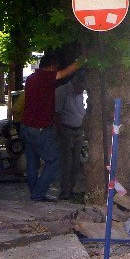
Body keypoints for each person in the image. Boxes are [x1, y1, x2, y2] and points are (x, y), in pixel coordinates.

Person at [21, 52, 82, 202]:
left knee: (32, 163)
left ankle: (35, 193)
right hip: (40, 128)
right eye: (56, 66)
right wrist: (82, 60)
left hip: (26, 126)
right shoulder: (45, 77)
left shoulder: (30, 78)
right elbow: (64, 73)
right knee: (54, 160)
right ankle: (38, 193)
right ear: (52, 65)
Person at [55, 69, 87, 201]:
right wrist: (60, 131)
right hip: (66, 129)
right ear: (75, 84)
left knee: (76, 162)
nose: (82, 90)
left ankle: (72, 189)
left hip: (78, 130)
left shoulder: (79, 94)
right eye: (81, 88)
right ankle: (65, 191)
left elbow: (80, 111)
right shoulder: (62, 92)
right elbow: (56, 113)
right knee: (66, 162)